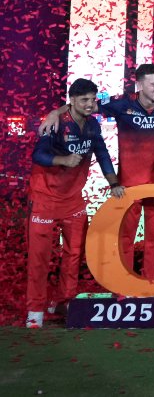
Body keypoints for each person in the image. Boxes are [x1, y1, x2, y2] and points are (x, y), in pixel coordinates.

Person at [38, 64, 154, 282]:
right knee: (126, 237)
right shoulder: (122, 103)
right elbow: (85, 105)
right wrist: (56, 112)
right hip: (128, 185)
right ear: (139, 84)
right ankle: (125, 287)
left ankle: (149, 289)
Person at [26, 78, 117, 329]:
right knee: (39, 258)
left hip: (74, 201)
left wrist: (114, 183)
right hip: (45, 199)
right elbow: (39, 155)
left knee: (74, 254)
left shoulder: (92, 127)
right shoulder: (56, 123)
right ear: (72, 101)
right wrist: (63, 160)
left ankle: (64, 303)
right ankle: (35, 310)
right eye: (84, 100)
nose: (90, 105)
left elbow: (102, 154)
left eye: (93, 99)